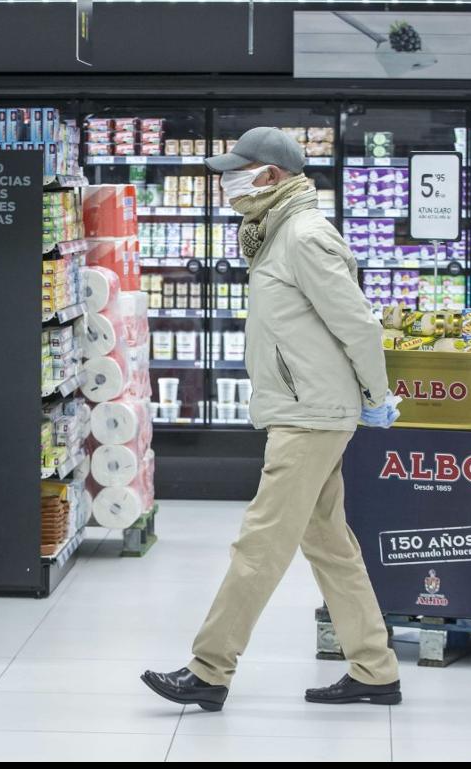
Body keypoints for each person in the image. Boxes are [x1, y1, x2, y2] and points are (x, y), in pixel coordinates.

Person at [141, 127, 402, 712]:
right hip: (306, 406)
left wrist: (376, 395)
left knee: (259, 544)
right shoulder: (276, 232)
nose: (227, 181)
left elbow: (357, 323)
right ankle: (375, 669)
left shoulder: (304, 236)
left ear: (272, 176)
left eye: (238, 170)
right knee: (331, 545)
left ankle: (209, 670)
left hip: (311, 414)